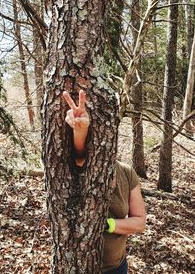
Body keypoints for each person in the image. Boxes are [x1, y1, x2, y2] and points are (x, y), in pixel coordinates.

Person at [63, 90, 147, 274]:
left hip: (117, 267)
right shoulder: (82, 165)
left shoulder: (126, 172)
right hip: (80, 267)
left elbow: (140, 223)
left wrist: (107, 224)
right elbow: (79, 154)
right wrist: (81, 129)